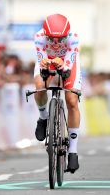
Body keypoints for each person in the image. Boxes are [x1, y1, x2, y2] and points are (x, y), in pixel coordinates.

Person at [33, 14, 81, 173]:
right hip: (47, 61)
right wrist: (46, 67)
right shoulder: (39, 37)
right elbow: (42, 67)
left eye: (59, 39)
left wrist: (62, 66)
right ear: (45, 34)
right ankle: (43, 117)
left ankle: (73, 152)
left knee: (72, 100)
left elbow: (67, 69)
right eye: (51, 38)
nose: (55, 42)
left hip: (68, 62)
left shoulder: (73, 38)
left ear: (66, 35)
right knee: (40, 86)